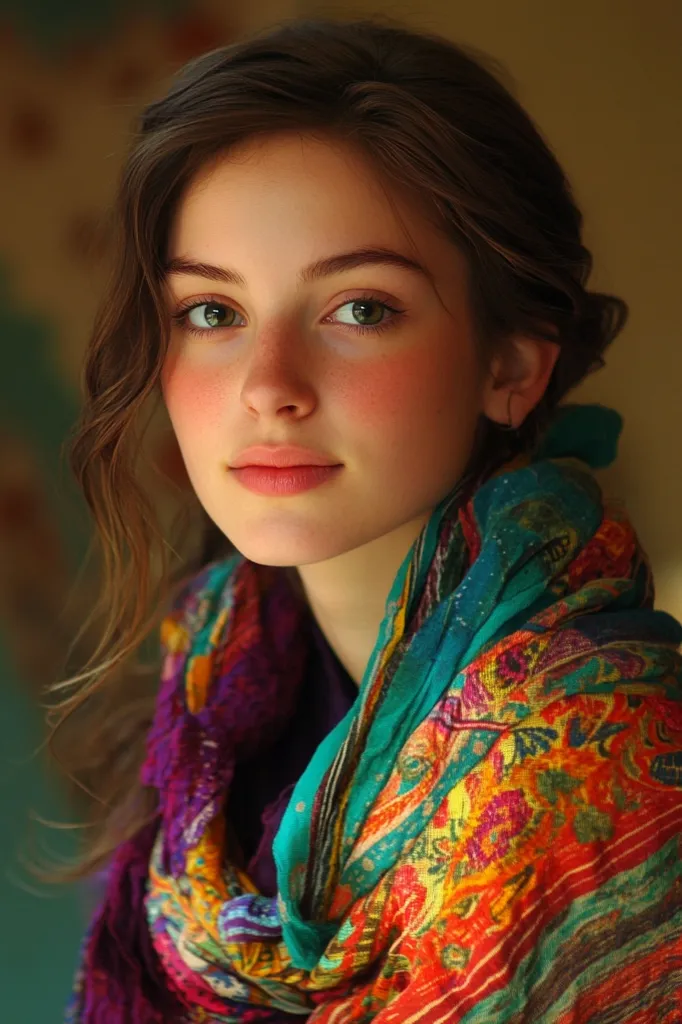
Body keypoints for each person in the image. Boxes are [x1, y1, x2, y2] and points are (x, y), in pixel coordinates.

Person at [59, 15, 682, 1023]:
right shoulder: (214, 691)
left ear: (512, 362)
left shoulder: (598, 759)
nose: (269, 387)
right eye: (212, 313)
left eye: (359, 309)